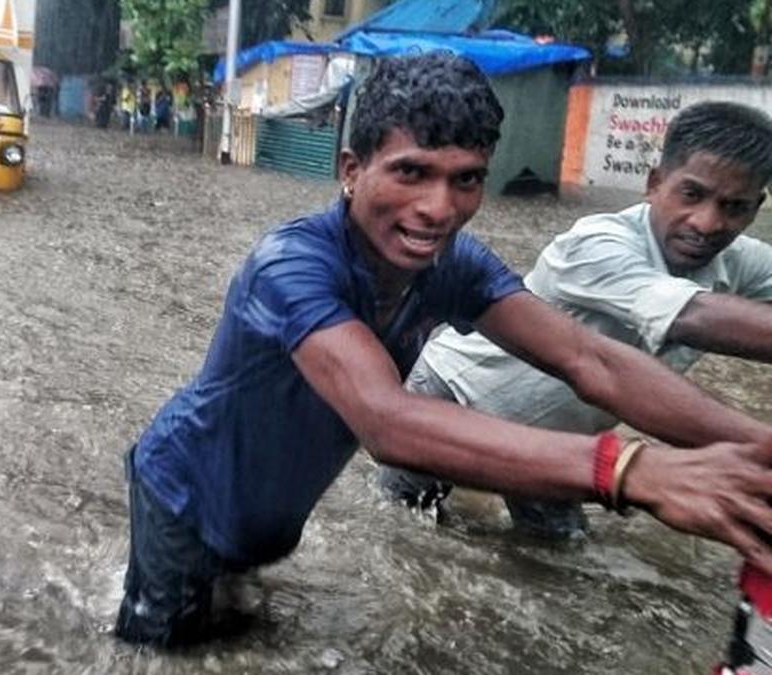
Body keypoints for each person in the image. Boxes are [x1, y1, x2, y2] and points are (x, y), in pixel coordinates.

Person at [114, 53, 772, 650]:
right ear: (352, 170)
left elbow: (588, 359)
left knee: (238, 638)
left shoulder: (452, 264)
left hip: (264, 517)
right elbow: (387, 421)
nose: (438, 208)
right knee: (161, 658)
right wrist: (628, 469)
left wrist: (757, 448)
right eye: (411, 172)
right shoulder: (289, 267)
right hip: (181, 501)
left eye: (466, 179)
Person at [379, 101, 772, 539]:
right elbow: (693, 316)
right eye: (692, 195)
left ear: (755, 209)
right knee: (400, 528)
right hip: (453, 396)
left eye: (734, 207)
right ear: (655, 183)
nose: (707, 222)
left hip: (555, 440)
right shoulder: (597, 243)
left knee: (560, 555)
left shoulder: (742, 263)